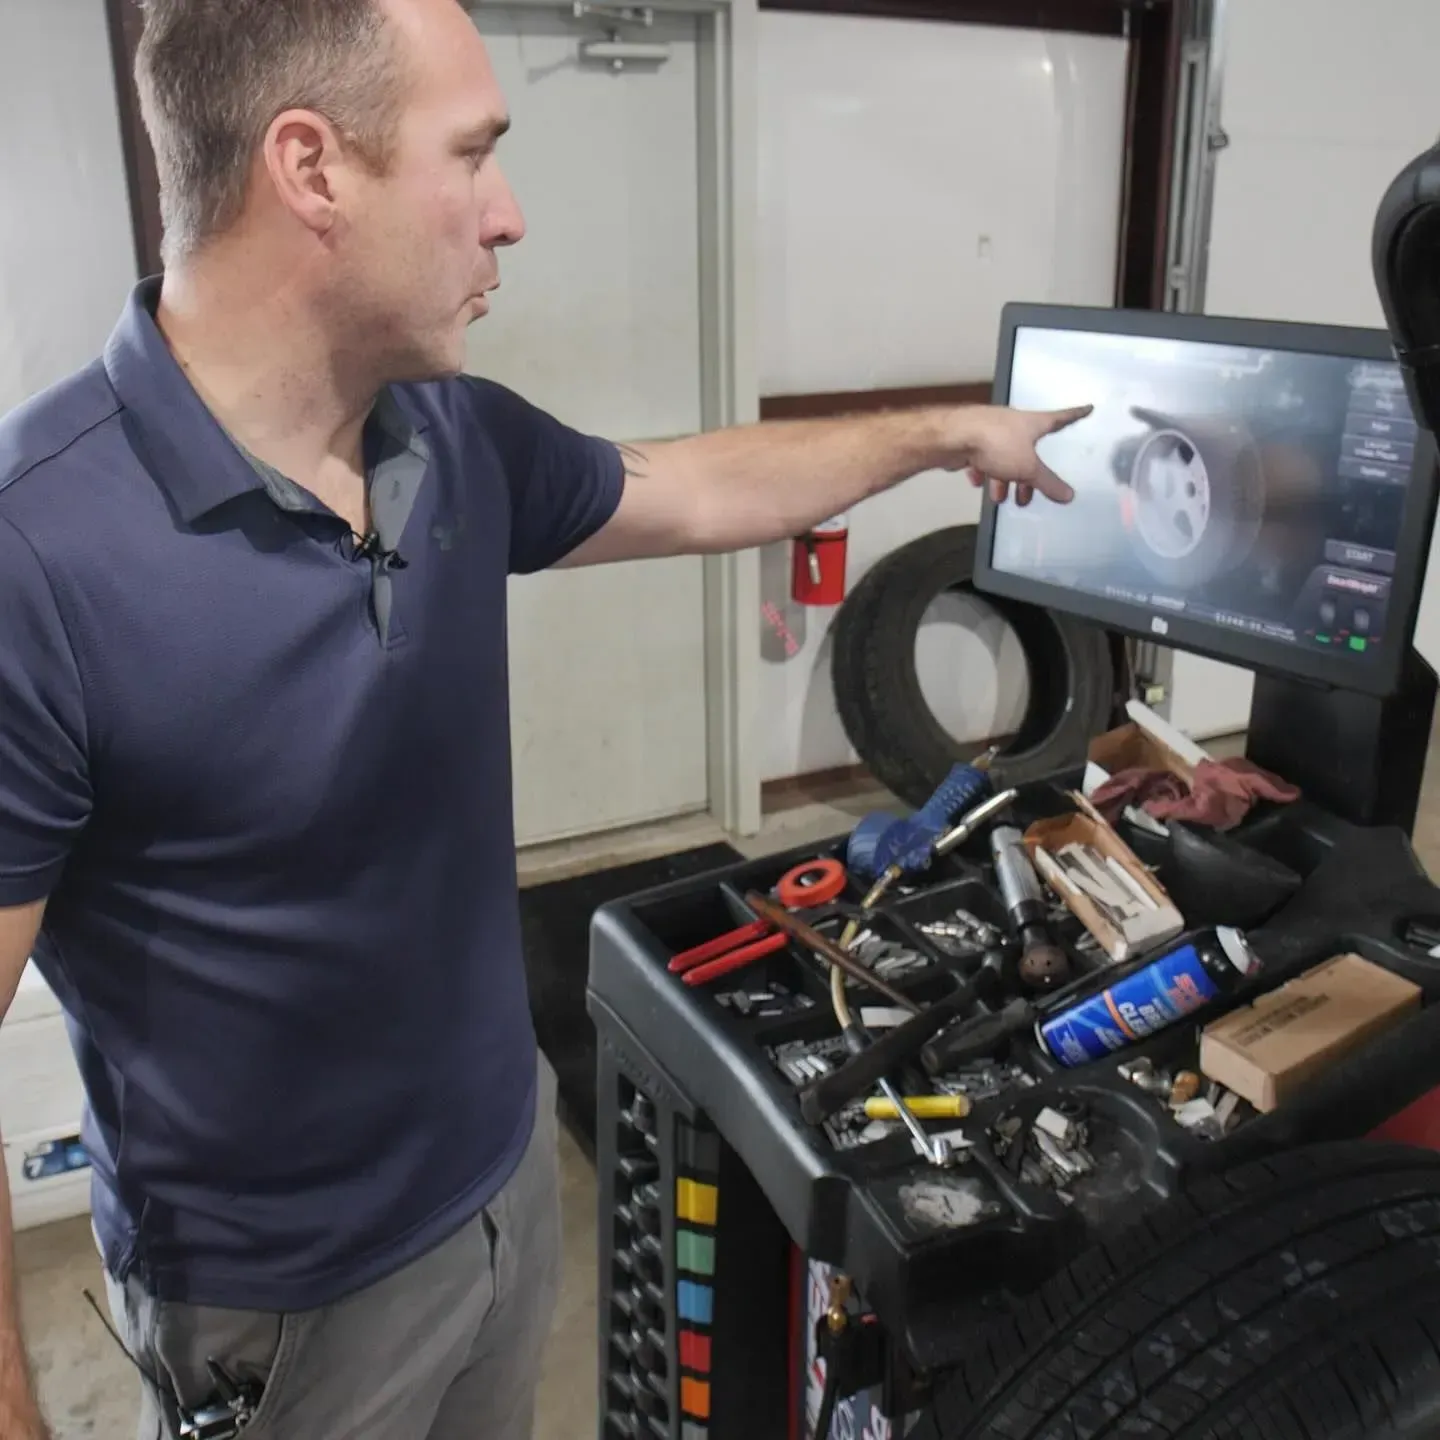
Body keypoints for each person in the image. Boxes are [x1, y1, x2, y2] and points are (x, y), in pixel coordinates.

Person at [0, 1, 1090, 1436]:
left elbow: (698, 486)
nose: (508, 216)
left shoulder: (444, 432)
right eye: (473, 155)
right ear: (310, 168)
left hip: (504, 1179)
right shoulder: (38, 553)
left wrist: (947, 435)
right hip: (284, 1307)